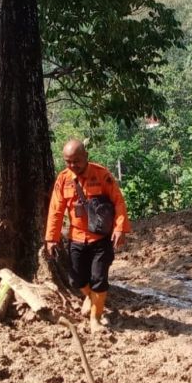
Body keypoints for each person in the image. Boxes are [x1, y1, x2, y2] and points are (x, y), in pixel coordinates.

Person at [44, 139, 131, 332]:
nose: (72, 165)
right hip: (76, 237)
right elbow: (56, 210)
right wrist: (52, 238)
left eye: (76, 161)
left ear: (86, 157)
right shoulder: (63, 179)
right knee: (76, 279)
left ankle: (96, 319)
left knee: (99, 278)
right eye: (68, 161)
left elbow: (118, 202)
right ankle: (90, 297)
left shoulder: (102, 175)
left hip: (100, 238)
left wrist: (119, 228)